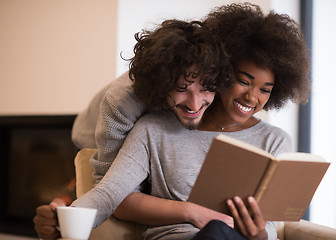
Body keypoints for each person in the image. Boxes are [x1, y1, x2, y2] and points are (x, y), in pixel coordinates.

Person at [68, 2, 310, 240]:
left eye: (265, 90)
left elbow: (269, 228)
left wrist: (258, 235)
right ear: (222, 72)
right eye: (244, 81)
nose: (252, 97)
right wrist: (64, 217)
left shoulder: (276, 141)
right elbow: (110, 193)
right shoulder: (153, 129)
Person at [33, 19, 231, 240]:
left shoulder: (214, 83)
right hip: (88, 132)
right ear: (163, 84)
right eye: (181, 89)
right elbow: (108, 191)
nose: (195, 105)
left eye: (205, 89)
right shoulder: (122, 104)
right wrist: (62, 218)